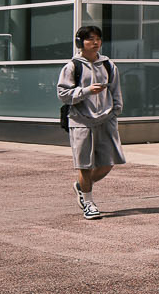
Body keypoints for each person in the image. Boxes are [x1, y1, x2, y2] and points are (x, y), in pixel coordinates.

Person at [57, 24, 124, 219]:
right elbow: (63, 94)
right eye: (90, 39)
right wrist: (86, 91)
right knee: (84, 164)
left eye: (98, 39)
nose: (95, 43)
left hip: (106, 118)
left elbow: (115, 89)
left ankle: (80, 186)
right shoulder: (72, 66)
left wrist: (116, 111)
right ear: (80, 43)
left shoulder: (108, 65)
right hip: (80, 120)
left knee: (108, 162)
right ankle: (88, 202)